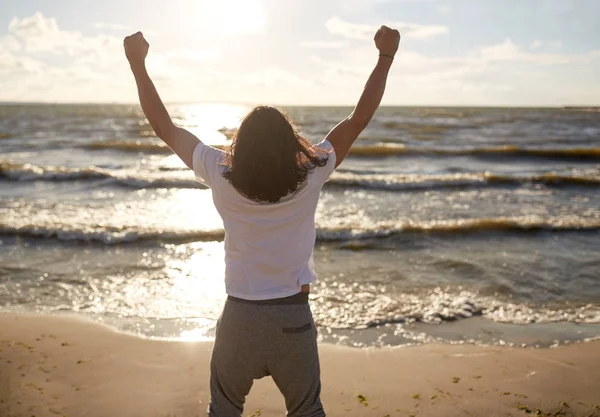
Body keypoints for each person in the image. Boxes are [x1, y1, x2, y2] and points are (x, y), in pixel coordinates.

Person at [124, 24, 400, 417]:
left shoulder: (219, 169)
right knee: (307, 411)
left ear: (242, 142)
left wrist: (137, 65)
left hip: (239, 318)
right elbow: (358, 120)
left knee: (223, 410)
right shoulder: (312, 168)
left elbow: (165, 128)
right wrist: (385, 57)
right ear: (290, 140)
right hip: (293, 318)